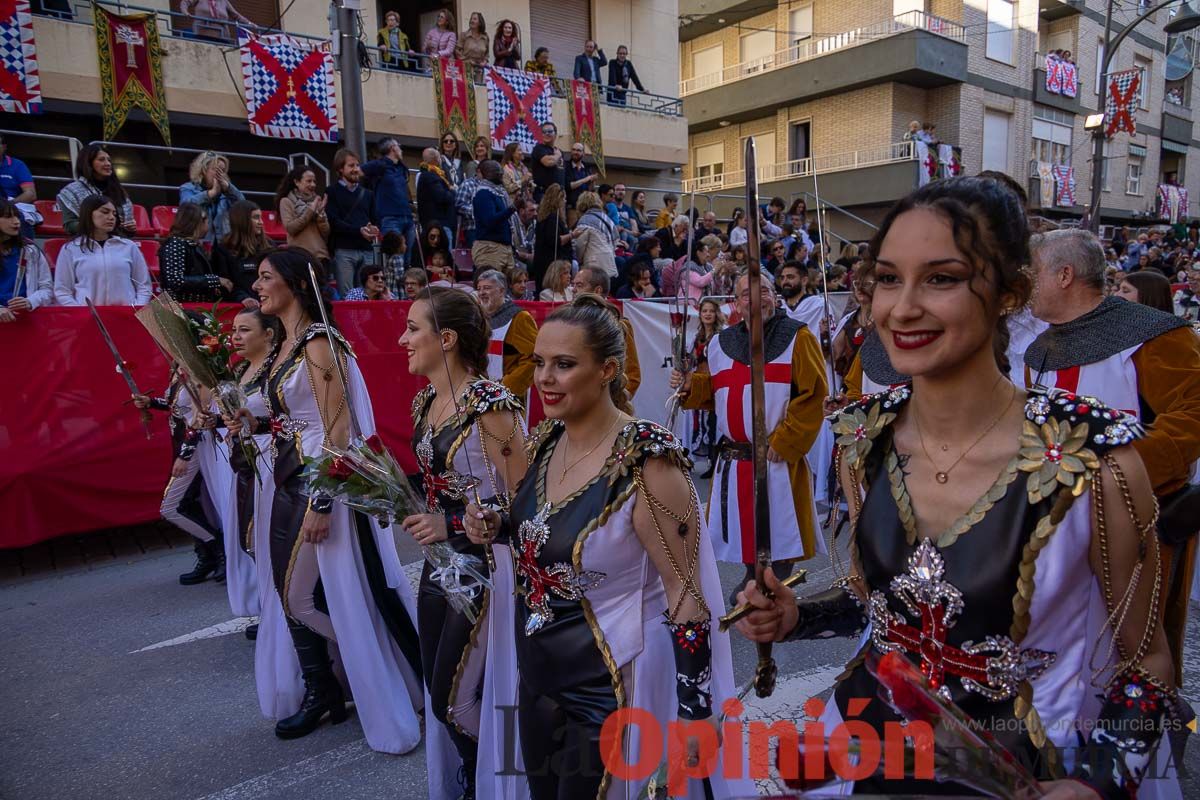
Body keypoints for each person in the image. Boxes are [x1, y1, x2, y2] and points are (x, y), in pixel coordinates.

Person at [735, 176, 1177, 798]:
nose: (902, 307)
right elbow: (896, 606)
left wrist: (1099, 782)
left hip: (1025, 770)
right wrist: (795, 617)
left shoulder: (1094, 459)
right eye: (888, 278)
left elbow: (1148, 661)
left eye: (940, 278)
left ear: (1010, 292)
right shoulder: (864, 439)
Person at [462, 295, 752, 800]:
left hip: (610, 689)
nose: (545, 378)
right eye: (540, 363)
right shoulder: (548, 438)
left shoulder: (647, 462)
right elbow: (544, 529)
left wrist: (694, 713)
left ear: (607, 370)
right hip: (536, 673)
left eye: (564, 365)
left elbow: (685, 596)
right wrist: (495, 523)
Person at [224, 248, 424, 750]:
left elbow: (338, 428)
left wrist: (322, 502)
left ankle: (366, 669)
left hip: (317, 481)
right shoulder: (285, 345)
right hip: (286, 477)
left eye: (267, 276)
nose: (258, 284)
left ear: (294, 283)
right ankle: (327, 687)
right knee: (287, 592)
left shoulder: (318, 343)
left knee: (297, 594)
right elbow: (293, 415)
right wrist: (252, 422)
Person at [1027, 228, 1200, 682]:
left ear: (1064, 275)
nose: (1025, 282)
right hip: (1055, 530)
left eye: (1033, 272)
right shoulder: (1040, 348)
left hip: (1137, 528)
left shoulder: (1154, 336)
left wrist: (1121, 471)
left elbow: (1194, 414)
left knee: (1132, 656)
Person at [398, 286, 526, 800]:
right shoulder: (426, 400)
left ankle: (493, 781)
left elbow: (531, 500)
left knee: (454, 699)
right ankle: (478, 779)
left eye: (413, 328)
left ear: (446, 338)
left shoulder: (491, 406)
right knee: (438, 692)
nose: (403, 339)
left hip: (487, 567)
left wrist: (453, 524)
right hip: (440, 565)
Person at [672, 270, 826, 591]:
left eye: (765, 291)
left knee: (781, 521)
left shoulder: (799, 337)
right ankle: (751, 573)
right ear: (736, 303)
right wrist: (691, 386)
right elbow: (718, 390)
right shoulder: (720, 344)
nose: (757, 300)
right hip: (736, 454)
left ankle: (779, 575)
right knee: (743, 522)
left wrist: (787, 440)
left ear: (775, 296)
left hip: (776, 452)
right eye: (747, 294)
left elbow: (813, 396)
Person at [132, 364, 224, 584]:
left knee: (172, 507)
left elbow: (200, 415)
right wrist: (152, 403)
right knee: (189, 502)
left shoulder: (196, 368)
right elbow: (178, 408)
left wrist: (186, 453)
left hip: (196, 445)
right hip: (182, 443)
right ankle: (207, 556)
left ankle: (219, 549)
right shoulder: (177, 367)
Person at [225, 307, 281, 635]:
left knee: (265, 539)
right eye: (234, 330)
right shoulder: (242, 369)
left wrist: (254, 426)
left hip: (271, 464)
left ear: (268, 334)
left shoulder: (275, 372)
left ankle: (281, 611)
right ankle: (270, 607)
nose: (235, 337)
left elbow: (288, 419)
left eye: (244, 330)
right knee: (250, 541)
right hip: (244, 463)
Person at [53, 195, 151, 306]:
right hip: (88, 319)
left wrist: (136, 308)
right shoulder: (70, 249)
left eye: (114, 214)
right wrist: (81, 313)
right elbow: (62, 291)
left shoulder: (129, 246)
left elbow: (144, 286)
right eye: (105, 212)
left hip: (126, 317)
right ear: (89, 214)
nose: (111, 217)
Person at [570, 267, 642, 397]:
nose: (573, 289)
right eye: (573, 285)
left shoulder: (620, 325)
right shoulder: (568, 323)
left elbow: (633, 375)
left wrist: (615, 402)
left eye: (579, 285)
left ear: (597, 290)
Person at [325, 149, 380, 297]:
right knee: (347, 296)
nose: (356, 169)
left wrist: (373, 228)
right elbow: (333, 222)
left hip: (366, 249)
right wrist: (359, 230)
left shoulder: (368, 194)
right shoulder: (332, 192)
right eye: (351, 165)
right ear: (340, 169)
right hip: (344, 250)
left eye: (357, 165)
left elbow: (375, 219)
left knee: (367, 294)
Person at [475, 269, 538, 397]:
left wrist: (507, 387)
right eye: (479, 288)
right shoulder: (479, 319)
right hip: (480, 391)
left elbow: (534, 357)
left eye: (487, 288)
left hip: (508, 396)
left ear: (501, 291)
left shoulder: (519, 318)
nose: (481, 293)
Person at [57, 144, 135, 237]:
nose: (108, 164)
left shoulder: (119, 191)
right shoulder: (71, 191)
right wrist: (97, 226)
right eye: (101, 160)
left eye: (109, 160)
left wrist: (130, 229)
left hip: (119, 244)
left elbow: (127, 228)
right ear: (88, 163)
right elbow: (70, 225)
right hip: (87, 243)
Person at [159, 203, 231, 303]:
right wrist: (214, 281)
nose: (208, 226)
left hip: (193, 306)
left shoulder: (192, 245)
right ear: (198, 222)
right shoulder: (176, 244)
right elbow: (175, 281)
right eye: (207, 222)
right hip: (180, 309)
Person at [362, 137, 415, 260]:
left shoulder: (400, 167)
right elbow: (358, 172)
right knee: (394, 258)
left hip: (407, 217)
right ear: (393, 148)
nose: (400, 149)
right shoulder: (379, 165)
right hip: (390, 217)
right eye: (398, 146)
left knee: (408, 258)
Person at [0, 199, 52, 323]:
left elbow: (47, 289)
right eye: (8, 217)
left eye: (17, 216)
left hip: (26, 321)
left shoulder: (31, 250)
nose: (16, 221)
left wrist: (30, 301)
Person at [212, 200, 272, 308]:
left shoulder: (269, 246)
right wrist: (243, 298)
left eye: (261, 217)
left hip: (268, 306)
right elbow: (225, 284)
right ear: (242, 221)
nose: (261, 222)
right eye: (256, 217)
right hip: (239, 309)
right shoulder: (224, 249)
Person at [179, 151, 244, 245]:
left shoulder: (227, 192)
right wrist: (210, 193)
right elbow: (185, 207)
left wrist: (229, 188)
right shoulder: (188, 188)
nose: (219, 174)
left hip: (223, 245)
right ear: (203, 170)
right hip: (199, 244)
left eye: (223, 170)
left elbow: (242, 206)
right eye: (216, 170)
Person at [275, 166, 330, 264]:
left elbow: (326, 232)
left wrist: (320, 215)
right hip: (300, 257)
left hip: (321, 257)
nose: (313, 184)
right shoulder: (286, 201)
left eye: (314, 181)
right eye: (308, 181)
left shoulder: (316, 201)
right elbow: (291, 228)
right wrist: (310, 211)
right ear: (297, 182)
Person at [471, 160, 517, 274]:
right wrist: (512, 209)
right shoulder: (483, 193)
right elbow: (490, 221)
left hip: (504, 247)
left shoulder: (499, 192)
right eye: (494, 170)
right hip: (489, 248)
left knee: (507, 288)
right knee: (491, 285)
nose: (499, 173)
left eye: (500, 170)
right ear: (482, 173)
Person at [532, 184, 571, 291]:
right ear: (558, 199)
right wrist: (572, 235)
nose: (565, 201)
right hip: (550, 263)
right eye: (564, 198)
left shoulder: (543, 217)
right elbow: (554, 241)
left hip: (543, 260)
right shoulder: (553, 218)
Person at [417, 147, 457, 242]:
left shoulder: (428, 174)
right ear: (436, 159)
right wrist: (452, 191)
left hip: (435, 223)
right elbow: (442, 197)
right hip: (439, 224)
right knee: (443, 254)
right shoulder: (431, 176)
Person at [778, 259, 825, 330]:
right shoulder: (778, 308)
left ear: (804, 281)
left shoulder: (819, 305)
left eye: (790, 277)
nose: (785, 281)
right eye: (782, 278)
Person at [180, 0, 252, 40]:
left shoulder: (224, 1)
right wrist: (185, 12)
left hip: (222, 36)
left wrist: (249, 23)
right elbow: (185, 2)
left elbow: (236, 15)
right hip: (202, 34)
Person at [529, 122, 565, 202]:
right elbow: (549, 162)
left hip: (559, 195)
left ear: (555, 134)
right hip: (544, 195)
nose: (547, 134)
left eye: (549, 131)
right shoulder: (539, 149)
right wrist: (558, 156)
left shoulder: (559, 151)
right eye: (544, 132)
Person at [0, 134, 35, 204]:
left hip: (10, 208)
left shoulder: (17, 165)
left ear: (4, 147)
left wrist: (9, 204)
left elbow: (31, 194)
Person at [563, 142, 595, 213]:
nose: (575, 152)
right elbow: (567, 186)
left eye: (578, 150)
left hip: (585, 208)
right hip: (571, 207)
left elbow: (590, 190)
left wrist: (592, 181)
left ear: (583, 153)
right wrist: (585, 180)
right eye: (573, 150)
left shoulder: (587, 168)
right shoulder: (566, 166)